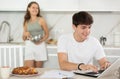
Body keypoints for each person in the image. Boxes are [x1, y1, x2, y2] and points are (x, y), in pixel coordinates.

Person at [22, 1, 49, 68]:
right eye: (33, 7)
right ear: (29, 9)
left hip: (40, 46)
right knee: (28, 69)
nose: (35, 9)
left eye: (37, 8)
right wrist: (25, 34)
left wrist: (40, 41)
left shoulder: (41, 20)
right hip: (29, 45)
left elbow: (47, 34)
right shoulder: (26, 21)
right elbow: (24, 38)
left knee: (38, 71)